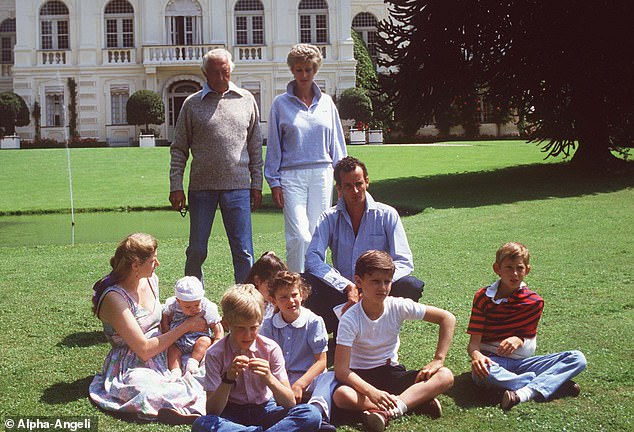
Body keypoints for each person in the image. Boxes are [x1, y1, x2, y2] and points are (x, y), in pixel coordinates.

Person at [89, 233, 207, 424]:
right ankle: (185, 403)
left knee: (212, 362)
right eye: (153, 260)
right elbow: (143, 350)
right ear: (135, 265)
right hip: (132, 362)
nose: (157, 264)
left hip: (165, 351)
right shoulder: (114, 298)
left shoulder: (152, 280)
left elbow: (160, 321)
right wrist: (187, 326)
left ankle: (186, 396)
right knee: (147, 391)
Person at [333, 250, 455, 432]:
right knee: (341, 395)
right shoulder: (350, 318)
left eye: (387, 281)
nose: (382, 287)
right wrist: (371, 392)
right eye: (375, 281)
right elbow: (342, 371)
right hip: (361, 377)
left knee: (445, 376)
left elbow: (447, 318)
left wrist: (439, 358)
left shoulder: (397, 305)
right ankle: (412, 402)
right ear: (359, 282)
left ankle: (387, 412)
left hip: (391, 372)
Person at [169, 48, 263, 284]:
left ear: (231, 70)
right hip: (201, 188)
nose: (221, 78)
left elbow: (255, 147)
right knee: (197, 249)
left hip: (238, 186)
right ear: (205, 74)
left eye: (225, 72)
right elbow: (179, 148)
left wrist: (257, 183)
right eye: (215, 73)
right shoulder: (191, 104)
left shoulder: (246, 100)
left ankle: (245, 302)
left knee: (243, 251)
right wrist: (175, 186)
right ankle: (191, 298)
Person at [304, 156, 425, 333]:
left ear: (367, 182)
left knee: (411, 285)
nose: (355, 191)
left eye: (359, 184)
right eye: (348, 186)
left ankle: (382, 324)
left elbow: (404, 261)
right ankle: (332, 326)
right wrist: (346, 286)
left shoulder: (387, 214)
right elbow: (312, 259)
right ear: (339, 188)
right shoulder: (328, 218)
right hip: (343, 291)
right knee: (304, 281)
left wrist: (375, 284)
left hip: (379, 289)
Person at [467, 242, 587, 410]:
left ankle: (523, 391)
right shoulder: (483, 297)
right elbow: (473, 344)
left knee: (577, 358)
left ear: (527, 270)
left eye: (520, 268)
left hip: (523, 363)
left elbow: (526, 334)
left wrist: (518, 339)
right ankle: (551, 384)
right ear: (497, 269)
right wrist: (477, 357)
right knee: (483, 373)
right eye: (508, 267)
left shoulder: (534, 301)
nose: (514, 273)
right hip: (492, 361)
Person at [192, 284, 322, 432]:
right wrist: (227, 379)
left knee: (311, 414)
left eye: (253, 328)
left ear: (260, 323)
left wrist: (269, 377)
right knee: (202, 424)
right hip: (231, 414)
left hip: (266, 409)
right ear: (228, 324)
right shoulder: (215, 353)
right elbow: (213, 411)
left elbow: (289, 402)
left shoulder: (270, 348)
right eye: (240, 328)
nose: (248, 335)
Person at [265, 43, 347, 273]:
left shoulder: (327, 103)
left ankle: (316, 284)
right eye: (299, 69)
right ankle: (295, 283)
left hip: (322, 174)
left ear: (315, 70)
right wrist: (274, 182)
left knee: (317, 233)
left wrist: (341, 179)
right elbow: (273, 146)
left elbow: (337, 144)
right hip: (291, 176)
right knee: (299, 235)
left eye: (308, 70)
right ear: (292, 70)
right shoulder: (280, 104)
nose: (303, 75)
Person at [260, 271, 337, 431]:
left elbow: (321, 361)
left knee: (329, 377)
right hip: (280, 377)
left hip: (308, 378)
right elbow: (266, 359)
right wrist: (282, 385)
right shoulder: (268, 325)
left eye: (294, 295)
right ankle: (283, 415)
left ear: (302, 294)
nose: (291, 301)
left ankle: (318, 413)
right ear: (273, 300)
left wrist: (300, 384)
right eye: (283, 297)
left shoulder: (314, 321)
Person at [161, 276, 224, 378]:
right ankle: (175, 371)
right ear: (178, 300)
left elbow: (216, 325)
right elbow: (165, 315)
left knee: (204, 341)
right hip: (178, 339)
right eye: (188, 307)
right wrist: (166, 329)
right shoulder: (172, 305)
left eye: (196, 305)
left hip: (197, 337)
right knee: (172, 349)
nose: (193, 309)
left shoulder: (206, 307)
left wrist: (218, 339)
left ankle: (193, 362)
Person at [243, 250, 288, 319]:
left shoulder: (276, 305)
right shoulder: (246, 305)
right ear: (257, 280)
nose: (275, 290)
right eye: (271, 286)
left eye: (279, 286)